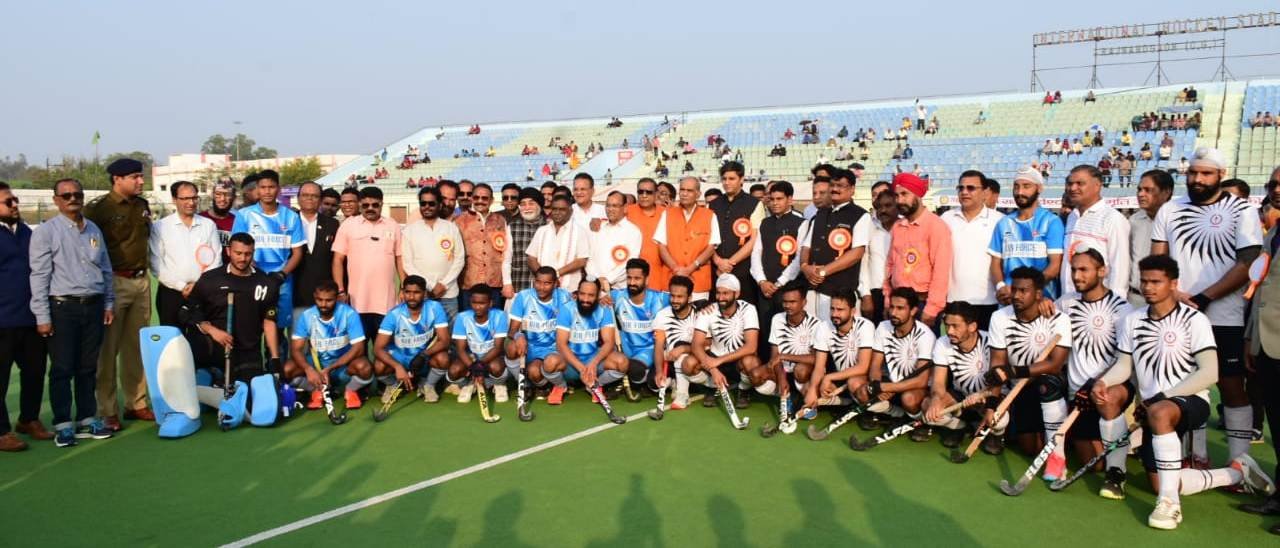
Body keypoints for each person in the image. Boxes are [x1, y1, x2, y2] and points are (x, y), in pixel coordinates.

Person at [1093, 255, 1273, 530]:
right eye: (1144, 281)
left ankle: (1170, 505)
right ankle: (1237, 473)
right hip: (1153, 409)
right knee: (1161, 480)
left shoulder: (1195, 320)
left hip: (1190, 402)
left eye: (1156, 282)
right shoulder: (1133, 320)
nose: (1148, 287)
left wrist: (1164, 396)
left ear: (1173, 283)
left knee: (1160, 413)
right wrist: (1103, 382)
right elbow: (1124, 366)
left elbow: (1210, 373)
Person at [1150, 146, 1263, 468]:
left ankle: (1240, 463)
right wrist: (1174, 294)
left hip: (1224, 316)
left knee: (1230, 386)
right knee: (1181, 385)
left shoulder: (1243, 210)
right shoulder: (1170, 209)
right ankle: (1193, 455)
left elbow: (1248, 264)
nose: (1197, 179)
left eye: (1206, 173)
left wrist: (1203, 298)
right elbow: (1158, 260)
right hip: (1178, 314)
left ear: (1221, 175)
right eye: (1193, 172)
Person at [30, 179, 115, 446]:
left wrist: (108, 303)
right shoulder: (46, 232)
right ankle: (63, 423)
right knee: (62, 368)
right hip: (62, 307)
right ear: (56, 200)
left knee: (88, 367)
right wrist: (42, 316)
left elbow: (105, 268)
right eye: (66, 195)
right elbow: (39, 276)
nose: (72, 199)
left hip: (94, 305)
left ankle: (87, 418)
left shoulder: (93, 229)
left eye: (77, 194)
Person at [82, 158, 152, 430]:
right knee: (108, 351)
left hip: (141, 281)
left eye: (140, 176)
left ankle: (136, 403)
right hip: (113, 282)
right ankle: (107, 409)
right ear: (117, 179)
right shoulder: (98, 209)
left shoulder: (142, 205)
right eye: (135, 177)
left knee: (136, 347)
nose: (140, 181)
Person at [1055, 248, 1131, 484]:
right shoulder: (1065, 303)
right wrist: (1043, 304)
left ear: (1102, 271)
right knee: (1094, 463)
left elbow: (1124, 360)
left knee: (1106, 398)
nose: (1076, 276)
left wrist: (1097, 383)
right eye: (1073, 270)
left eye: (1083, 270)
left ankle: (1117, 471)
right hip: (1077, 395)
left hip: (1108, 386)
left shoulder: (1122, 309)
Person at [983, 267, 1072, 458]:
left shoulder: (1059, 319)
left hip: (1052, 384)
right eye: (1014, 289)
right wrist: (991, 406)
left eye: (1023, 291)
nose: (1016, 295)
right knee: (1031, 449)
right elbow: (997, 365)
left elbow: (1055, 364)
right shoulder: (999, 317)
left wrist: (1014, 371)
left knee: (1048, 382)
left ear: (1038, 294)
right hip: (1021, 387)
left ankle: (1057, 458)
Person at [0, 182, 50, 450]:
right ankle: (1, 432)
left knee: (35, 371)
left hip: (31, 317)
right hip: (2, 321)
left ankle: (28, 419)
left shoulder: (26, 232)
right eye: (8, 202)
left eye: (15, 199)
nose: (15, 205)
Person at [1242, 176, 1280, 530]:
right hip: (1267, 342)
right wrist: (1250, 337)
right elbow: (1262, 288)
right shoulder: (1273, 233)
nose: (1277, 189)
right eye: (1273, 184)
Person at [852, 287, 936, 436]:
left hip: (915, 389)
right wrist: (877, 385)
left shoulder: (925, 335)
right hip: (891, 384)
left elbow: (921, 381)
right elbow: (875, 365)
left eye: (900, 308)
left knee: (909, 399)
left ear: (913, 311)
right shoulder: (883, 327)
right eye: (891, 307)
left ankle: (920, 423)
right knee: (861, 390)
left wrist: (888, 387)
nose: (893, 313)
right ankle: (897, 415)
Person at [232, 170, 305, 339]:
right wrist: (256, 273)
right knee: (250, 328)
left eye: (271, 187)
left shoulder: (291, 217)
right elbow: (238, 248)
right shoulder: (244, 215)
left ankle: (277, 356)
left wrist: (281, 274)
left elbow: (297, 253)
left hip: (282, 282)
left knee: (278, 331)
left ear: (278, 188)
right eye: (263, 187)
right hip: (251, 279)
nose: (267, 191)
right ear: (257, 189)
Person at [332, 186, 402, 345]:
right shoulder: (348, 225)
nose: (370, 208)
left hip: (386, 303)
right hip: (356, 303)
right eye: (365, 205)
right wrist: (340, 290)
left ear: (382, 204)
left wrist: (403, 287)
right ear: (359, 204)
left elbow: (399, 258)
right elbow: (337, 260)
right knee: (358, 352)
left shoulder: (392, 225)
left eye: (375, 205)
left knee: (384, 352)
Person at [286, 282, 371, 410]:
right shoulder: (307, 316)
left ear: (337, 298)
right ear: (314, 297)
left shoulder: (349, 314)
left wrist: (329, 369)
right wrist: (309, 370)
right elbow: (296, 350)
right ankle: (315, 389)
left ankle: (350, 390)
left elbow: (358, 348)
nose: (323, 304)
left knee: (364, 367)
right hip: (317, 365)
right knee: (288, 369)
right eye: (319, 300)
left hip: (342, 367)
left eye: (328, 300)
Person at [800, 168, 870, 324]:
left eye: (840, 186)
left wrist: (823, 271)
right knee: (813, 332)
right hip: (812, 287)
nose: (835, 189)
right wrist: (805, 267)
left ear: (852, 189)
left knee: (835, 333)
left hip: (839, 292)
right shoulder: (820, 213)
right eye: (832, 185)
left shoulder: (860, 215)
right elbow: (806, 247)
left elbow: (857, 253)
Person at [883, 173, 952, 328]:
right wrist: (888, 300)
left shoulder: (936, 226)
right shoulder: (897, 226)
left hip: (923, 304)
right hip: (897, 303)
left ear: (918, 195)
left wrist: (932, 308)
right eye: (896, 196)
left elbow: (941, 271)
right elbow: (890, 266)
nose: (899, 200)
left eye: (904, 194)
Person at [922, 301, 994, 448]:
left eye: (955, 326)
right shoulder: (943, 343)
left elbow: (1000, 380)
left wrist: (981, 395)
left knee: (1001, 419)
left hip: (989, 396)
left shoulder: (991, 341)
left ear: (972, 326)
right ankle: (960, 427)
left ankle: (996, 435)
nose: (949, 331)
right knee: (927, 406)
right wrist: (936, 399)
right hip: (961, 397)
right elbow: (938, 382)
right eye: (947, 325)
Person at [149, 181, 221, 328]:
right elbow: (156, 264)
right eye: (185, 198)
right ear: (174, 199)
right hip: (171, 293)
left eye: (194, 198)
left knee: (202, 337)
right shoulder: (160, 227)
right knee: (172, 339)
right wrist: (181, 286)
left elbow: (216, 259)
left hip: (203, 293)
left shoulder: (208, 225)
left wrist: (198, 286)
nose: (191, 202)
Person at [988, 168, 1065, 304]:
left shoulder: (1051, 222)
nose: (1020, 192)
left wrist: (1026, 289)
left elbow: (1054, 266)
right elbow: (995, 263)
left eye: (1026, 186)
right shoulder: (1004, 223)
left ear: (1039, 188)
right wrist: (1001, 287)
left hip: (1041, 302)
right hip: (1009, 301)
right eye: (1016, 187)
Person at [373, 276, 451, 402]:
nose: (411, 297)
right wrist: (397, 366)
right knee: (379, 365)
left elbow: (445, 340)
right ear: (403, 293)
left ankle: (428, 385)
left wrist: (423, 355)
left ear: (424, 293)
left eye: (416, 292)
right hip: (400, 358)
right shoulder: (394, 314)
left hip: (423, 357)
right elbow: (378, 348)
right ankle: (393, 386)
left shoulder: (434, 308)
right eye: (407, 292)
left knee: (443, 358)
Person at [689, 274, 761, 409]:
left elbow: (751, 346)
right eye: (718, 293)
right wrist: (713, 368)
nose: (720, 298)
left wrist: (719, 361)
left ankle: (743, 389)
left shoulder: (749, 309)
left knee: (752, 362)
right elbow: (696, 345)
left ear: (736, 294)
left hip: (737, 361)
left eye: (725, 293)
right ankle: (713, 386)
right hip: (714, 359)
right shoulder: (709, 310)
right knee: (688, 364)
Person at [506, 267, 574, 403]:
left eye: (547, 283)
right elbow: (512, 331)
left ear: (556, 284)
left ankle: (558, 385)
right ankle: (526, 386)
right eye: (538, 282)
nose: (541, 287)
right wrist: (519, 336)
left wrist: (602, 299)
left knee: (540, 368)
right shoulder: (523, 297)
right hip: (530, 348)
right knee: (512, 348)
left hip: (554, 348)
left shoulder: (564, 297)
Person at [1061, 165, 1130, 297]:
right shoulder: (1072, 217)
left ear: (1097, 185)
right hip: (1068, 300)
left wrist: (1115, 302)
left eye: (1080, 183)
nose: (1073, 188)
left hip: (1100, 303)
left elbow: (1120, 266)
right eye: (1070, 183)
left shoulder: (1113, 218)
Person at [553, 278, 628, 399]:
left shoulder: (604, 309)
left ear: (598, 295)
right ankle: (561, 386)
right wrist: (582, 369)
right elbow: (561, 344)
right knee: (550, 362)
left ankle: (595, 385)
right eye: (582, 294)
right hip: (571, 365)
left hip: (594, 364)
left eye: (591, 295)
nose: (585, 299)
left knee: (622, 362)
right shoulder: (566, 309)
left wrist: (593, 363)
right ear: (577, 293)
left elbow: (609, 342)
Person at [751, 180, 804, 351]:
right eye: (772, 199)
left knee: (788, 328)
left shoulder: (801, 223)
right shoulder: (764, 223)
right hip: (765, 288)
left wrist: (780, 282)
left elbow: (800, 258)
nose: (775, 203)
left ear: (790, 199)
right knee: (766, 327)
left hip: (788, 287)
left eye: (779, 199)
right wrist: (761, 281)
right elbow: (756, 253)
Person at [942, 170, 999, 326]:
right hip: (954, 300)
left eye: (971, 188)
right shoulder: (946, 219)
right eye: (961, 188)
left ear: (985, 192)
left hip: (988, 300)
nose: (964, 192)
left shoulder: (999, 221)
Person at [708, 162, 766, 315]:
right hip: (716, 270)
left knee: (743, 314)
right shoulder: (712, 205)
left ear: (741, 179)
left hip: (743, 271)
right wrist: (718, 261)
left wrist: (729, 263)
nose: (727, 182)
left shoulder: (754, 204)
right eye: (724, 179)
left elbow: (754, 239)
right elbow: (708, 238)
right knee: (715, 314)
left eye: (731, 178)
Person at [402, 187, 465, 322]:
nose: (427, 207)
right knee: (424, 332)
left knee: (450, 333)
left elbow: (459, 259)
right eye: (423, 203)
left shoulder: (451, 228)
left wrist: (444, 284)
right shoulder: (410, 230)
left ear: (440, 205)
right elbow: (408, 264)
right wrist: (430, 285)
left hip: (448, 293)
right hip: (422, 294)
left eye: (431, 203)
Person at [762, 286, 827, 413]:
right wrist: (781, 378)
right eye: (785, 302)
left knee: (800, 370)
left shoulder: (816, 324)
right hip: (784, 370)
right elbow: (774, 355)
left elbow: (816, 359)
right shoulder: (777, 319)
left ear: (804, 302)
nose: (787, 306)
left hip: (805, 372)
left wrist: (783, 356)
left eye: (792, 302)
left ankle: (806, 398)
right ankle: (786, 396)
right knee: (756, 375)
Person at [655, 177, 720, 301]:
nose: (684, 193)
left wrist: (690, 268)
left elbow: (712, 247)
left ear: (698, 194)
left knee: (698, 313)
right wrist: (675, 268)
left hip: (699, 281)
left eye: (689, 190)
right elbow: (661, 245)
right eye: (682, 190)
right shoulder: (667, 213)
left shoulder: (709, 215)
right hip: (671, 279)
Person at [610, 259, 670, 393]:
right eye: (629, 278)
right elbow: (591, 298)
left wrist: (702, 305)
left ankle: (661, 373)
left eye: (637, 278)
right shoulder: (617, 296)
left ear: (647, 279)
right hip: (626, 351)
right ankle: (646, 378)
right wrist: (601, 298)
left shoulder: (660, 299)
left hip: (650, 350)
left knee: (636, 371)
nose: (632, 282)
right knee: (629, 368)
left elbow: (683, 300)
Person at [448, 285, 510, 403]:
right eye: (474, 303)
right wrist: (473, 367)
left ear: (490, 303)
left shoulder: (500, 316)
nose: (477, 307)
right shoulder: (462, 317)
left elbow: (498, 348)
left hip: (492, 357)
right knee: (453, 371)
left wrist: (480, 365)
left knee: (496, 367)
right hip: (471, 357)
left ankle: (498, 384)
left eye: (482, 303)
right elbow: (460, 349)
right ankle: (468, 384)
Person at [291, 182, 339, 323]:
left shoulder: (332, 224)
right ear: (298, 198)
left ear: (320, 199)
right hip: (295, 292)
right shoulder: (288, 221)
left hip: (323, 296)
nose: (309, 198)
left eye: (314, 196)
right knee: (298, 335)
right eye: (305, 195)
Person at [456, 183, 508, 310]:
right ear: (472, 198)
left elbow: (505, 251)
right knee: (469, 319)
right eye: (476, 197)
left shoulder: (500, 220)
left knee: (494, 319)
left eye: (484, 198)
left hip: (494, 283)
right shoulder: (459, 221)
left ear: (491, 200)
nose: (480, 201)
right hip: (469, 283)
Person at [1127, 170, 1174, 306]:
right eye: (1139, 189)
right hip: (1134, 298)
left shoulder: (1177, 221)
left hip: (1166, 300)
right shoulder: (1134, 220)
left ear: (1166, 192)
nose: (1141, 194)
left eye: (1148, 190)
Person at [586, 191, 643, 299]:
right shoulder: (598, 228)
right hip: (595, 289)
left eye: (615, 206)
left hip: (619, 291)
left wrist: (607, 280)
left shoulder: (633, 231)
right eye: (608, 205)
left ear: (625, 208)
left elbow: (629, 262)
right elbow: (589, 258)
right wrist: (596, 280)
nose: (610, 209)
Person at [527, 194, 590, 291]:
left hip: (569, 289)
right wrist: (544, 278)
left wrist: (555, 274)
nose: (557, 212)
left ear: (571, 211)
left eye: (562, 209)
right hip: (541, 289)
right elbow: (531, 258)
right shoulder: (542, 230)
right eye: (555, 209)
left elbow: (581, 260)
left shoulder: (580, 231)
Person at [656, 276, 701, 409]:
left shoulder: (700, 314)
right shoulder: (662, 315)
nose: (675, 300)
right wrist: (659, 371)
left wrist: (683, 349)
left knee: (679, 347)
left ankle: (683, 396)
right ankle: (674, 382)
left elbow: (707, 345)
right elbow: (659, 346)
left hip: (698, 361)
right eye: (672, 296)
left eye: (680, 297)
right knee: (654, 385)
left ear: (689, 297)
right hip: (672, 362)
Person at [858, 188, 897, 324]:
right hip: (875, 294)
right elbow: (863, 263)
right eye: (879, 207)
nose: (883, 210)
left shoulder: (905, 228)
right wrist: (865, 295)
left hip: (900, 292)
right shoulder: (870, 227)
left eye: (888, 206)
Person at [501, 187, 547, 295]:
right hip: (518, 284)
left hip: (544, 288)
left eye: (531, 203)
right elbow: (506, 259)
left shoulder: (549, 226)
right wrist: (507, 283)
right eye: (523, 204)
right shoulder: (512, 227)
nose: (527, 208)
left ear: (539, 206)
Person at [626, 178, 669, 291]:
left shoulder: (667, 213)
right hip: (631, 274)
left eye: (648, 192)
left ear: (656, 194)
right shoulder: (626, 211)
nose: (644, 195)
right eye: (640, 192)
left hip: (659, 273)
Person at [199, 179, 237, 250]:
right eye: (218, 194)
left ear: (234, 197)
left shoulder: (238, 222)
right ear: (212, 195)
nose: (222, 199)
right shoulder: (199, 219)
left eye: (227, 195)